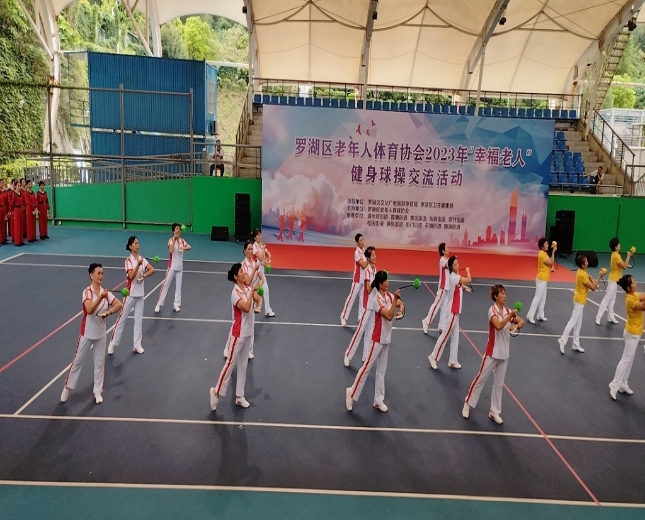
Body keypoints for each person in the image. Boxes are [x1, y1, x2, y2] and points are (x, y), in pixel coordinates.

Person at [462, 284, 525, 425]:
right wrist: (510, 317)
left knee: (499, 384)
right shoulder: (492, 310)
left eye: (505, 293)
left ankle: (494, 411)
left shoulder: (508, 311)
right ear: (496, 296)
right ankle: (468, 403)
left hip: (504, 354)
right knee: (480, 379)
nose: (505, 296)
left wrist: (515, 326)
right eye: (502, 293)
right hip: (491, 352)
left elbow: (522, 321)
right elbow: (498, 326)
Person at [61, 263, 122, 405]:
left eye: (102, 273)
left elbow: (118, 304)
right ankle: (67, 388)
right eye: (98, 273)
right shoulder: (87, 292)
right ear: (91, 275)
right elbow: (89, 310)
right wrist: (100, 298)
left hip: (101, 334)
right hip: (87, 334)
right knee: (77, 362)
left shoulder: (106, 293)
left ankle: (97, 391)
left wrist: (109, 311)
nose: (101, 276)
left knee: (100, 363)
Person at [345, 270, 403, 413]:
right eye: (385, 281)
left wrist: (401, 309)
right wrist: (395, 301)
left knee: (382, 370)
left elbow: (400, 304)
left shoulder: (388, 296)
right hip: (377, 339)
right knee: (366, 368)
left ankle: (378, 400)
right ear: (380, 284)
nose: (388, 283)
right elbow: (388, 315)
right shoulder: (376, 299)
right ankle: (351, 392)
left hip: (386, 339)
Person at [210, 263, 259, 411]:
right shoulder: (235, 293)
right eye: (242, 271)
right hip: (238, 335)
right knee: (230, 364)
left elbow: (256, 299)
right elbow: (245, 308)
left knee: (243, 366)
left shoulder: (247, 288)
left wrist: (258, 294)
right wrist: (252, 293)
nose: (245, 273)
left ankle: (239, 396)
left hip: (248, 333)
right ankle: (216, 391)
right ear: (236, 276)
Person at [108, 236, 155, 355]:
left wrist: (144, 275)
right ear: (130, 246)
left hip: (140, 294)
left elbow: (152, 269)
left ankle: (137, 345)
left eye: (138, 243)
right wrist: (138, 265)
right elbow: (131, 276)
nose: (138, 245)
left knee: (138, 320)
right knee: (122, 319)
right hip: (130, 294)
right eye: (135, 243)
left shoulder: (142, 259)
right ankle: (113, 343)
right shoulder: (128, 261)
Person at [429, 256, 472, 370]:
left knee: (455, 336)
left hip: (455, 311)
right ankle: (433, 356)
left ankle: (452, 361)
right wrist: (468, 271)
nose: (458, 265)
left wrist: (464, 288)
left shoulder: (455, 277)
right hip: (452, 311)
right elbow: (469, 280)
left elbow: (459, 285)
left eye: (458, 263)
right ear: (451, 267)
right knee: (445, 335)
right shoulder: (454, 277)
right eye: (455, 265)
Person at [558, 254, 605, 354]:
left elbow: (589, 277)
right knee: (573, 322)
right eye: (586, 261)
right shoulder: (582, 275)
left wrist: (593, 279)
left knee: (578, 323)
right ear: (583, 265)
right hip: (579, 301)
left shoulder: (581, 271)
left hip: (579, 300)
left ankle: (575, 343)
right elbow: (593, 288)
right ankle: (563, 339)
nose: (587, 262)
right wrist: (599, 276)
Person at [609, 274, 645, 400]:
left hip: (635, 333)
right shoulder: (630, 300)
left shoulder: (633, 294)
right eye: (633, 283)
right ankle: (614, 385)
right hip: (632, 334)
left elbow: (643, 296)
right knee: (625, 360)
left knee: (629, 360)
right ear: (629, 288)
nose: (636, 284)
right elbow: (643, 306)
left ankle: (623, 385)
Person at [344, 246, 377, 367]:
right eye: (373, 255)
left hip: (373, 307)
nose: (375, 257)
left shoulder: (375, 270)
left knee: (370, 332)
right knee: (360, 332)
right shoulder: (367, 271)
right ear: (368, 258)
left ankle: (366, 356)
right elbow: (368, 289)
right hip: (366, 307)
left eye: (375, 255)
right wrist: (376, 282)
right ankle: (348, 354)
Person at [155, 223, 191, 314]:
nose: (178, 230)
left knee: (178, 287)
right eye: (177, 229)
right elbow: (171, 250)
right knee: (165, 286)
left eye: (179, 229)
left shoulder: (182, 241)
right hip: (171, 267)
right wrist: (175, 239)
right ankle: (159, 304)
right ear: (173, 231)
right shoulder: (170, 240)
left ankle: (176, 304)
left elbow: (189, 247)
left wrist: (183, 248)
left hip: (180, 268)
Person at [596, 238, 632, 326]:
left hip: (615, 280)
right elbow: (624, 266)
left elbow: (622, 264)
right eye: (618, 244)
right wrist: (628, 256)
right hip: (613, 281)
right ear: (615, 247)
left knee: (612, 299)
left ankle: (610, 317)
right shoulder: (616, 256)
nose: (620, 245)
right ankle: (598, 317)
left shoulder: (615, 255)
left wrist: (626, 261)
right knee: (607, 299)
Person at [526, 238, 557, 324]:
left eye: (547, 243)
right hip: (541, 279)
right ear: (541, 246)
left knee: (543, 298)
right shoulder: (542, 254)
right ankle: (530, 316)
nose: (547, 245)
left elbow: (548, 264)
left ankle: (540, 315)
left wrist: (550, 269)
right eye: (546, 244)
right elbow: (551, 262)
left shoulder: (544, 253)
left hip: (544, 279)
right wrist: (553, 252)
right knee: (537, 298)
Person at [340, 233, 368, 326]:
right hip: (357, 279)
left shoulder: (364, 251)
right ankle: (343, 316)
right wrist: (369, 257)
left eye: (363, 240)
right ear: (357, 243)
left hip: (364, 279)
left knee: (362, 299)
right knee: (351, 298)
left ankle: (360, 317)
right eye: (360, 240)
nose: (362, 242)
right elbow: (363, 265)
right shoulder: (357, 253)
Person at [422, 242, 450, 334]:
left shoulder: (447, 259)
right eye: (446, 248)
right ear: (443, 251)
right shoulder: (442, 260)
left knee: (445, 307)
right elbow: (448, 265)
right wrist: (454, 261)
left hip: (448, 287)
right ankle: (427, 321)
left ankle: (441, 326)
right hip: (443, 286)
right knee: (436, 304)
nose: (448, 249)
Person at [251, 228, 275, 317]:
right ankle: (252, 309)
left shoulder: (261, 244)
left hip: (261, 271)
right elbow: (261, 257)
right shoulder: (254, 247)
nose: (260, 236)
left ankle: (267, 310)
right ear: (255, 237)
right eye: (258, 235)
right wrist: (263, 248)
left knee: (265, 290)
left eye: (260, 234)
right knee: (253, 290)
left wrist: (268, 259)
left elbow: (268, 253)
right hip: (256, 272)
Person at [10, 180, 24, 247]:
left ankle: (21, 240)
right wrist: (13, 212)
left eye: (20, 185)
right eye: (18, 185)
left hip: (21, 209)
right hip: (16, 210)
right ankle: (17, 241)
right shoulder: (14, 194)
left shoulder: (21, 193)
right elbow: (12, 204)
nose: (19, 187)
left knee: (21, 225)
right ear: (15, 186)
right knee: (17, 226)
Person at [0, 179, 7, 245]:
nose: (2, 184)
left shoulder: (4, 192)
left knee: (3, 224)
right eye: (1, 183)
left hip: (3, 208)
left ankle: (2, 239)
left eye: (2, 183)